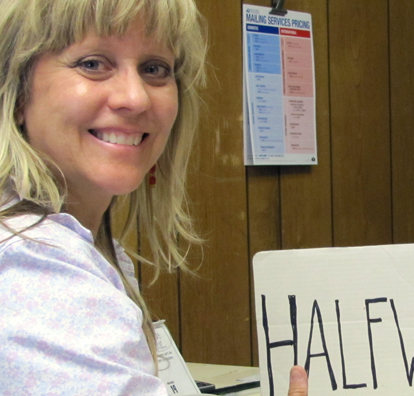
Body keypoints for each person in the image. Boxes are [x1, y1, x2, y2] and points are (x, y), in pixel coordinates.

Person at [0, 0, 308, 394]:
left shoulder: (82, 244)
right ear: (18, 88)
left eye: (154, 69)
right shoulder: (34, 268)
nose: (136, 98)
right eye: (92, 64)